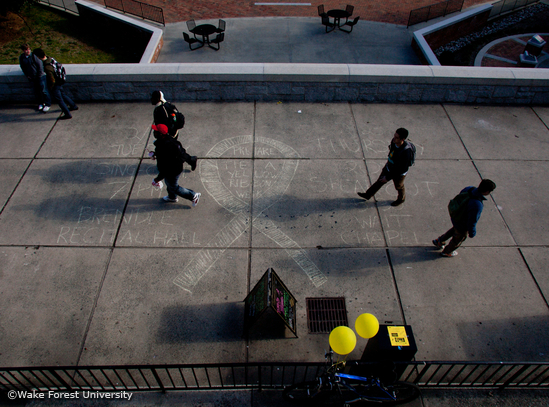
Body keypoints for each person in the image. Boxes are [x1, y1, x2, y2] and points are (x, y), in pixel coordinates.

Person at [433, 179, 496, 257]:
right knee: (458, 239)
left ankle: (439, 241)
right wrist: (472, 232)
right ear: (487, 191)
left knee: (454, 229)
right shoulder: (477, 204)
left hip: (456, 216)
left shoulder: (469, 188)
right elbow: (472, 221)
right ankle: (447, 251)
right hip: (462, 223)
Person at [357, 128, 415, 207]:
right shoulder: (394, 142)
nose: (394, 138)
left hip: (398, 174)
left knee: (399, 186)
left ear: (402, 139)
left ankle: (401, 199)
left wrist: (387, 178)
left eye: (396, 137)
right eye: (394, 135)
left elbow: (401, 169)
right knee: (379, 181)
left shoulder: (406, 153)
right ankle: (368, 195)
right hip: (389, 166)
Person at [151, 124, 201, 206]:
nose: (154, 132)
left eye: (156, 131)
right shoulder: (168, 141)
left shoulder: (166, 147)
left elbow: (166, 168)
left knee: (174, 187)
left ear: (161, 134)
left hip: (172, 171)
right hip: (174, 169)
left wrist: (157, 179)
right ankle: (172, 197)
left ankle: (193, 196)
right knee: (169, 183)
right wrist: (155, 154)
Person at [151, 90, 197, 170]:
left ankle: (191, 160)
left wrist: (163, 137)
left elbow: (164, 126)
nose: (151, 99)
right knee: (170, 151)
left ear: (158, 99)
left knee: (176, 152)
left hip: (168, 135)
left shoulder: (161, 110)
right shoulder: (166, 105)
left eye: (153, 98)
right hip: (168, 134)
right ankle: (163, 165)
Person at [34, 48, 78, 120]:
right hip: (60, 80)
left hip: (56, 84)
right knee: (63, 95)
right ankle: (73, 106)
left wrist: (51, 87)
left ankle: (67, 114)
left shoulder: (47, 67)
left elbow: (52, 80)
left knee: (59, 100)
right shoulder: (50, 58)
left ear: (38, 57)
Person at [19, 44, 51, 112]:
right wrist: (27, 75)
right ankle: (40, 103)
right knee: (37, 92)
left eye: (28, 49)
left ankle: (47, 104)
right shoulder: (22, 57)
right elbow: (23, 67)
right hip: (31, 77)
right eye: (26, 50)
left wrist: (38, 76)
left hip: (40, 77)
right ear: (23, 50)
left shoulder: (34, 56)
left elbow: (40, 66)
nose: (27, 51)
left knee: (44, 91)